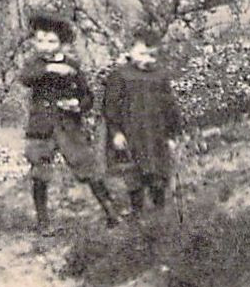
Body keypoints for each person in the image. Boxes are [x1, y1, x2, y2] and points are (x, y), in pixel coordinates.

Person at [18, 13, 120, 233]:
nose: (45, 46)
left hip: (68, 126)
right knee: (40, 172)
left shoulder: (72, 65)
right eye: (40, 41)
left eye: (51, 41)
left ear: (62, 43)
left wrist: (77, 104)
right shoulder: (34, 64)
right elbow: (25, 78)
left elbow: (87, 97)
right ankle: (43, 221)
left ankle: (111, 213)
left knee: (87, 167)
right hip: (41, 128)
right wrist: (50, 69)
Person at [102, 27, 184, 217]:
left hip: (156, 134)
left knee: (158, 172)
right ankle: (137, 213)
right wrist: (116, 132)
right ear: (130, 51)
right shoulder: (121, 75)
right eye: (141, 54)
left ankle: (160, 212)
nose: (146, 60)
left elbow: (170, 106)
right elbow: (110, 106)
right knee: (134, 174)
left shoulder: (160, 76)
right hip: (131, 133)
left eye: (151, 56)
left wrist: (172, 134)